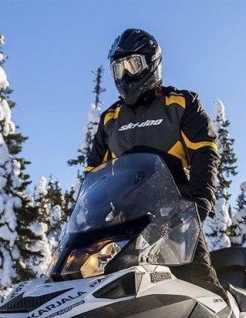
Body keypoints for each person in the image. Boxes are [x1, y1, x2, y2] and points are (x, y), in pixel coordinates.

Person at [85, 28, 226, 298]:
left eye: (133, 64)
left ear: (152, 64)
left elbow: (204, 153)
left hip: (175, 218)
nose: (125, 75)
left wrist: (200, 201)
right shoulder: (110, 119)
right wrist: (88, 220)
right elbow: (94, 175)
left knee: (200, 287)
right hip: (122, 225)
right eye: (118, 68)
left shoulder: (181, 103)